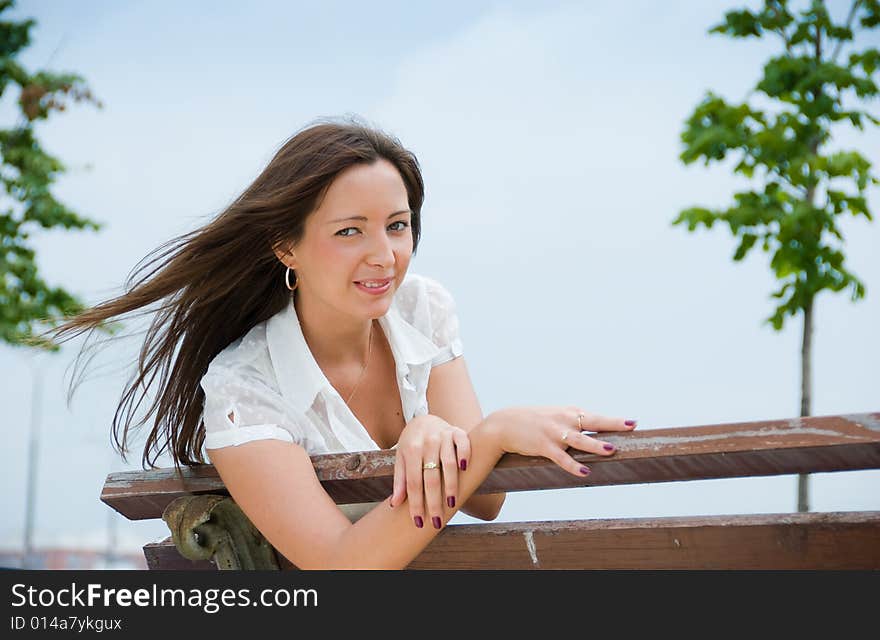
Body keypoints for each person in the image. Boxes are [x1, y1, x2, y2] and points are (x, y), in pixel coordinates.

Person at [44, 116, 637, 569]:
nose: (384, 255)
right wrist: (487, 435)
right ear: (286, 245)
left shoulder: (422, 308)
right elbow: (338, 566)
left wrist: (433, 434)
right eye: (350, 231)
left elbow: (485, 502)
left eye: (397, 225)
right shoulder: (244, 389)